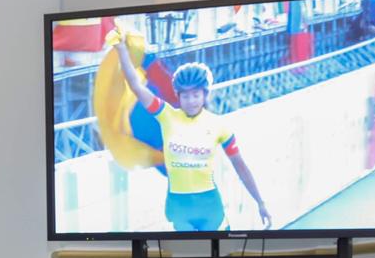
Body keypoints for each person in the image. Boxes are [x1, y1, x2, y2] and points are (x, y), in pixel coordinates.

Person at [114, 38, 272, 232]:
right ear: (178, 96)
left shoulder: (219, 125)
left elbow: (240, 167)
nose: (191, 101)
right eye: (185, 96)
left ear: (205, 95)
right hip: (178, 210)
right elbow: (137, 87)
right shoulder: (167, 116)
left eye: (196, 95)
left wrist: (260, 202)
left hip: (210, 208)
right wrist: (121, 50)